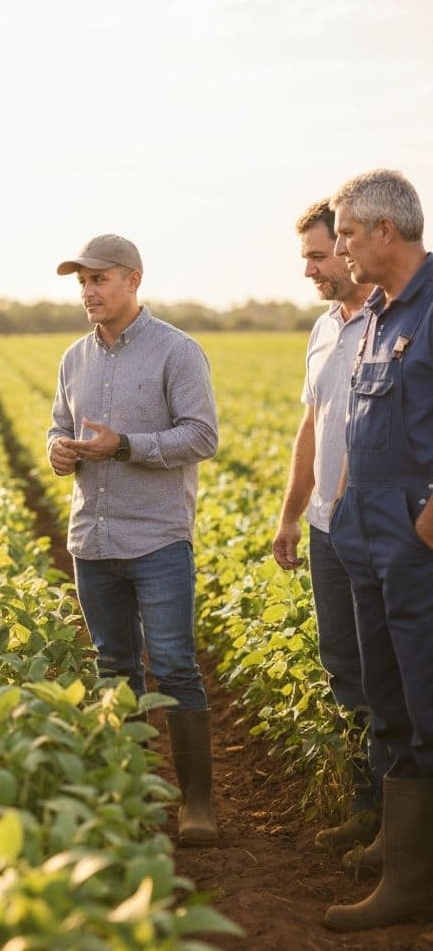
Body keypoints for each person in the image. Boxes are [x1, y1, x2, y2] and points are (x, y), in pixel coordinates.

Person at [46, 233, 219, 847]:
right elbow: (58, 428)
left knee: (173, 667)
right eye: (82, 283)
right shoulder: (74, 358)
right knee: (114, 668)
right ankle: (129, 794)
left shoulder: (178, 351)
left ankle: (197, 802)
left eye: (99, 280)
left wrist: (124, 445)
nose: (88, 292)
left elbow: (201, 436)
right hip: (91, 539)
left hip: (158, 540)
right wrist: (61, 453)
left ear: (133, 280)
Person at [323, 170, 433, 933]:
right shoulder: (373, 317)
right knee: (389, 705)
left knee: (430, 710)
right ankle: (404, 877)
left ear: (385, 233)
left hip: (417, 547)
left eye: (349, 234)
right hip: (367, 540)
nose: (341, 248)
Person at [272, 200, 386, 856]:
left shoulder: (397, 320)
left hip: (379, 528)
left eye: (320, 255)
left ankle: (396, 824)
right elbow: (311, 428)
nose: (312, 269)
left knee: (389, 674)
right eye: (309, 258)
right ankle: (365, 805)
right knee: (344, 666)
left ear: (349, 249)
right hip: (325, 529)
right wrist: (291, 515)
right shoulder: (323, 331)